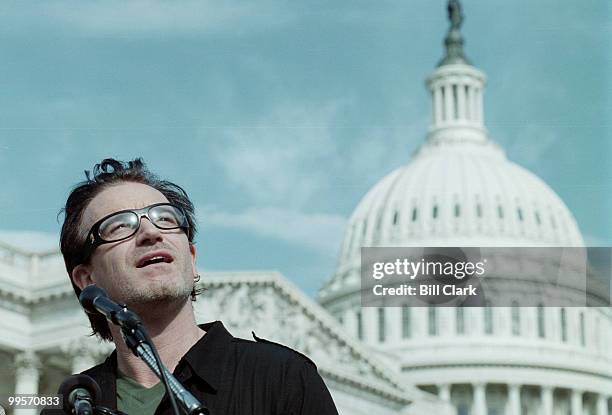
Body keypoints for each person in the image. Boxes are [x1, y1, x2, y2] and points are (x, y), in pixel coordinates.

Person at [43, 158, 338, 415]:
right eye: (119, 225)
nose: (150, 232)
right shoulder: (67, 408)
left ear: (192, 259)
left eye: (166, 218)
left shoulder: (283, 379)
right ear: (87, 280)